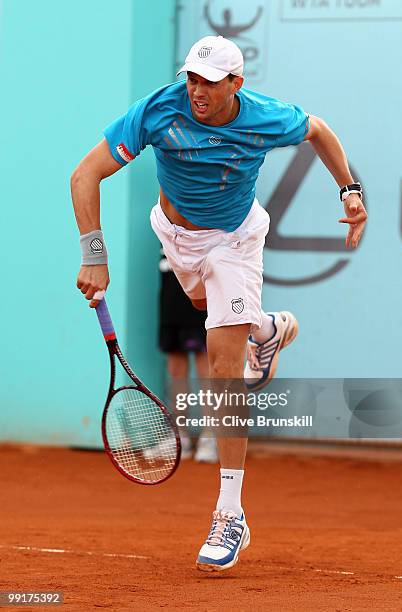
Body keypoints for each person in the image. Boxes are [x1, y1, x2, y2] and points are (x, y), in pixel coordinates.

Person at [71, 35, 367, 572]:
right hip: (177, 237)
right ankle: (267, 330)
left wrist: (351, 191)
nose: (197, 91)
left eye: (210, 81)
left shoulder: (264, 117)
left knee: (222, 363)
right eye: (192, 78)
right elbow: (84, 173)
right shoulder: (159, 109)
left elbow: (318, 130)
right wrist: (95, 254)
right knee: (218, 316)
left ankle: (230, 513)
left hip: (234, 239)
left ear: (236, 84)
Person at [158, 246, 218, 463]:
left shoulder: (204, 214)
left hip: (202, 296)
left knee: (205, 367)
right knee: (176, 367)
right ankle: (179, 437)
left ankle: (209, 438)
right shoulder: (162, 215)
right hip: (171, 296)